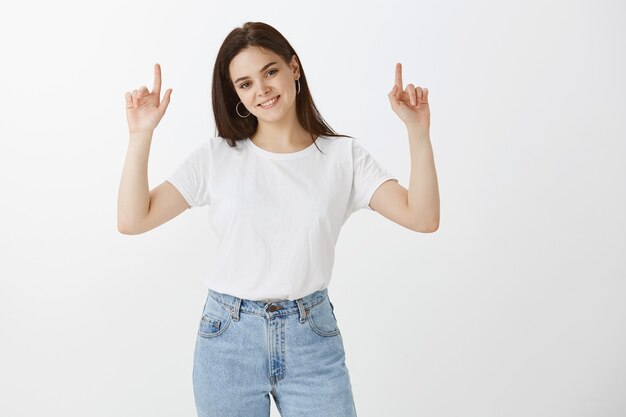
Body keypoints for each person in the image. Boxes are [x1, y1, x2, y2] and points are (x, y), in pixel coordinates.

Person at [118, 21, 439, 417]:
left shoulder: (343, 158)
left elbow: (422, 217)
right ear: (235, 94)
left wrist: (417, 131)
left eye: (270, 72)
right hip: (228, 339)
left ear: (294, 68)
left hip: (312, 339)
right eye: (245, 83)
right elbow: (134, 219)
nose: (262, 90)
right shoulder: (218, 156)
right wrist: (140, 135)